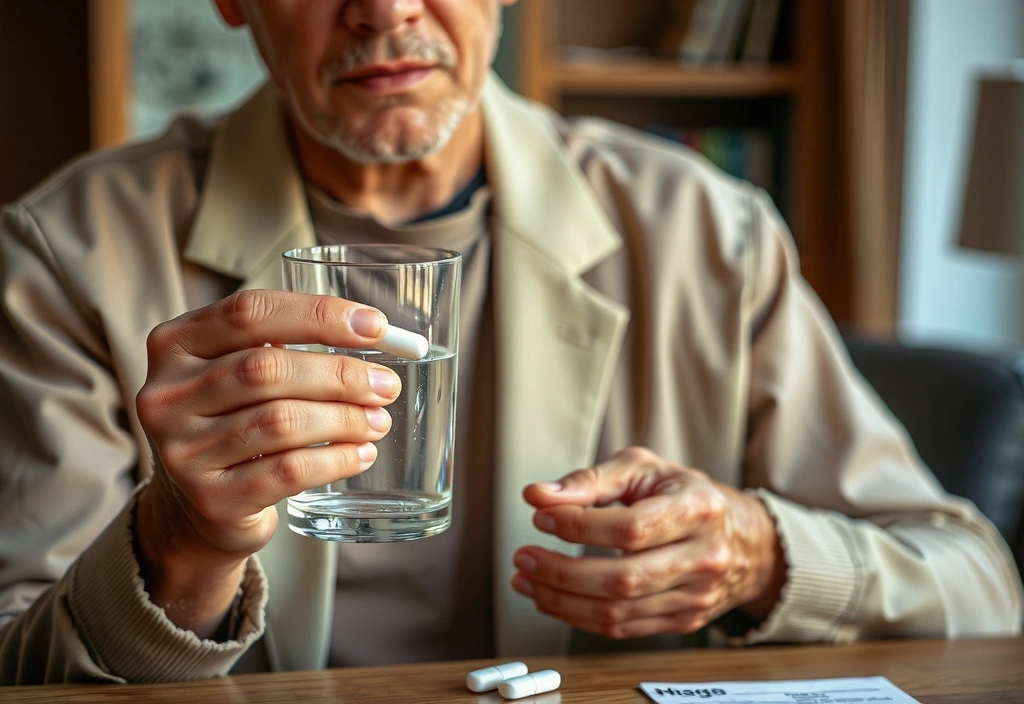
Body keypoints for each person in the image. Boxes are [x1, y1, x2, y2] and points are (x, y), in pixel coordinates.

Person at [0, 0, 1020, 686]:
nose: (388, 9)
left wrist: (758, 553)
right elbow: (20, 660)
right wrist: (175, 546)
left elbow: (976, 581)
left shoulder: (713, 234)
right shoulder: (68, 254)